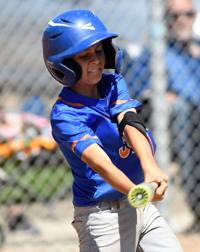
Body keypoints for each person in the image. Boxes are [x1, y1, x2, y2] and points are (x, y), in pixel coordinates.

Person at [42, 9, 183, 251]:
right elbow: (101, 165)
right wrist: (136, 192)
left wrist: (150, 168)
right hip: (102, 216)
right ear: (63, 64)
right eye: (84, 56)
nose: (96, 59)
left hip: (141, 205)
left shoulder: (112, 84)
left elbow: (130, 121)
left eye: (98, 51)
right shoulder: (65, 115)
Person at [126, 0, 200, 233]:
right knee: (179, 112)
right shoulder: (156, 52)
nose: (182, 20)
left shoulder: (197, 49)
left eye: (188, 14)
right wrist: (158, 94)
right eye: (175, 16)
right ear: (166, 20)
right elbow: (134, 90)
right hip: (183, 122)